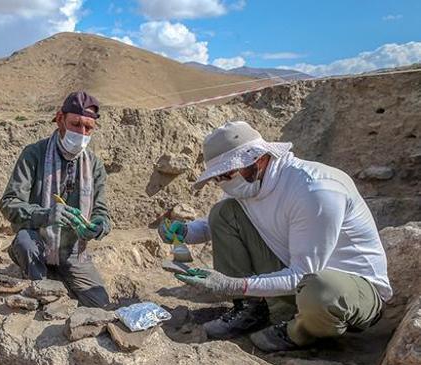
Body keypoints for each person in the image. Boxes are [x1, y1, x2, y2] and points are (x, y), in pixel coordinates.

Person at [161, 121, 391, 351]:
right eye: (217, 178)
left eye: (226, 174)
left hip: (350, 297)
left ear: (258, 158)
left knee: (320, 289)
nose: (222, 183)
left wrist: (233, 284)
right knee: (224, 212)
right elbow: (216, 224)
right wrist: (184, 232)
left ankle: (300, 332)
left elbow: (304, 273)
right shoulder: (251, 183)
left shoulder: (315, 190)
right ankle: (250, 311)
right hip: (299, 283)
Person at [0, 91, 112, 307]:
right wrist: (46, 215)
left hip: (72, 250)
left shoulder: (94, 165)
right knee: (26, 244)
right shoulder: (34, 154)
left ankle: (57, 273)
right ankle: (38, 279)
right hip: (37, 242)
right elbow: (9, 202)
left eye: (88, 128)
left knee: (100, 303)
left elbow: (101, 211)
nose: (82, 132)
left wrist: (99, 226)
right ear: (60, 119)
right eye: (75, 124)